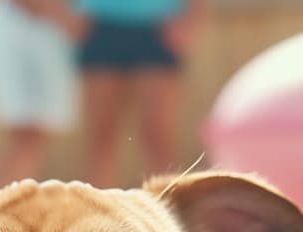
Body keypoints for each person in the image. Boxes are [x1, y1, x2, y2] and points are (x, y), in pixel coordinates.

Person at [73, 0, 206, 187]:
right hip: (99, 25)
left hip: (159, 26)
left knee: (158, 136)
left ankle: (165, 209)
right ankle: (98, 210)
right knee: (101, 137)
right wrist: (63, 17)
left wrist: (191, 18)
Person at [0, 0, 82, 186]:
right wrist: (60, 15)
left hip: (49, 26)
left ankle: (7, 206)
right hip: (18, 21)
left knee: (35, 132)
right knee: (25, 132)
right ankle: (2, 209)